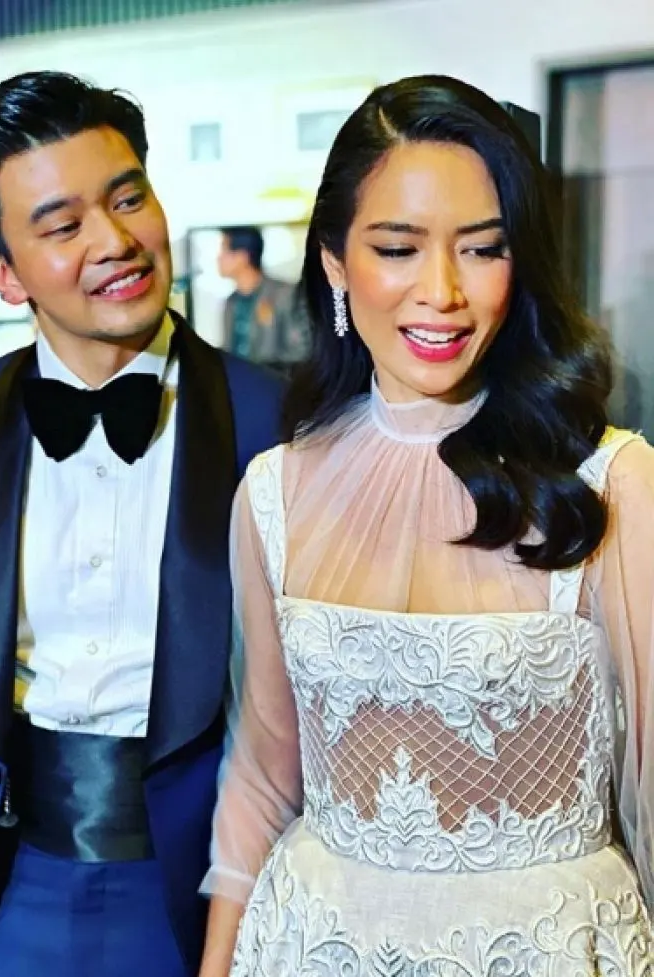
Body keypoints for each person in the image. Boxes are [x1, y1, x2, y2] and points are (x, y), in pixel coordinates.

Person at [199, 75, 654, 976]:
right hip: (310, 948)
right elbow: (259, 776)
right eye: (398, 248)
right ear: (335, 263)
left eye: (482, 249)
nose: (443, 291)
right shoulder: (272, 493)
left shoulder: (612, 485)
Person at [0, 71, 283, 977]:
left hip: (204, 896)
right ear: (2, 273)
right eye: (63, 226)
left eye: (128, 198)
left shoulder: (276, 422)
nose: (115, 241)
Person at [218, 226, 307, 368]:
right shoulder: (231, 302)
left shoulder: (284, 294)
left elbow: (301, 352)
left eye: (224, 250)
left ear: (242, 257)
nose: (218, 258)